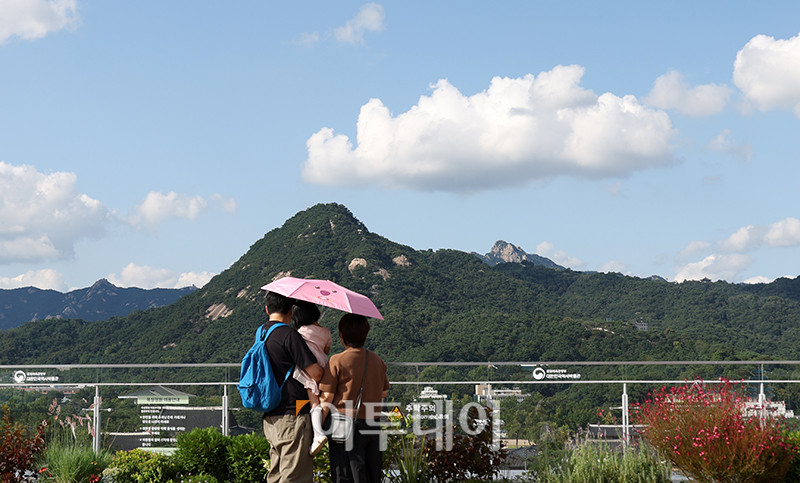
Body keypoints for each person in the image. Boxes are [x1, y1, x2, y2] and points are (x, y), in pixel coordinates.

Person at [261, 291, 323, 483]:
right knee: (295, 475)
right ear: (290, 311)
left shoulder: (261, 333)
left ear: (267, 309)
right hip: (293, 412)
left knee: (277, 474)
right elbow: (315, 373)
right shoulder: (289, 335)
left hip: (270, 414)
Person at [320, 313, 389, 483]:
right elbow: (383, 393)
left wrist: (317, 425)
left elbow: (326, 398)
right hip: (372, 425)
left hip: (343, 424)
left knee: (344, 473)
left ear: (342, 335)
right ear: (366, 334)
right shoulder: (377, 360)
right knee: (372, 474)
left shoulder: (336, 361)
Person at [291, 300, 332, 455]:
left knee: (314, 402)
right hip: (323, 365)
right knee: (323, 400)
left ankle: (318, 434)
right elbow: (327, 349)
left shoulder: (300, 332)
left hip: (309, 369)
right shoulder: (326, 331)